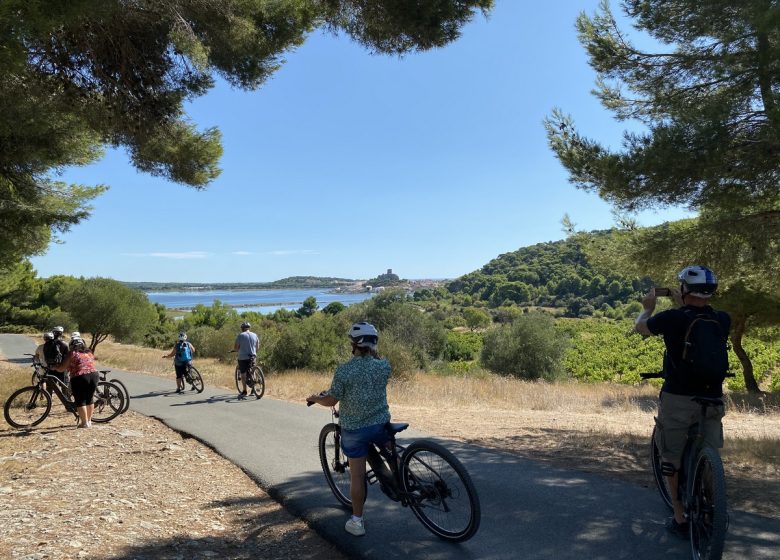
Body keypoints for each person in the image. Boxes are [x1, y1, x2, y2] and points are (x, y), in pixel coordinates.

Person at [634, 265, 730, 537]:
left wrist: (648, 307)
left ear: (686, 288)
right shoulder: (723, 319)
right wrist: (684, 301)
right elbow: (696, 317)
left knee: (670, 456)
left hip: (678, 398)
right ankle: (714, 507)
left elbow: (642, 328)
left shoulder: (671, 318)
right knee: (710, 451)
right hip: (712, 398)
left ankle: (679, 517)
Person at [307, 322, 392, 537]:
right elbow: (368, 387)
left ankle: (357, 522)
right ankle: (402, 483)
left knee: (357, 476)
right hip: (381, 424)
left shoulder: (344, 370)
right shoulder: (384, 366)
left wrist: (316, 398)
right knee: (393, 456)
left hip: (355, 429)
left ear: (354, 344)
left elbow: (332, 399)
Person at [60, 336, 99, 428]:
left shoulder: (72, 353)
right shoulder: (89, 352)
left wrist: (54, 367)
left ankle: (84, 423)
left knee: (80, 400)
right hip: (94, 375)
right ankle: (89, 421)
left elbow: (62, 368)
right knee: (90, 399)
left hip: (80, 376)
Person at [234, 321, 259, 398]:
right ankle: (253, 389)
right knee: (252, 370)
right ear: (249, 328)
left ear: (242, 328)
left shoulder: (240, 335)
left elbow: (236, 347)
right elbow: (257, 347)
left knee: (243, 374)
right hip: (253, 356)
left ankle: (244, 391)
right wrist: (254, 352)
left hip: (243, 357)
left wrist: (237, 350)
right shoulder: (255, 335)